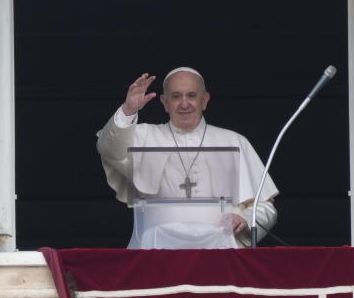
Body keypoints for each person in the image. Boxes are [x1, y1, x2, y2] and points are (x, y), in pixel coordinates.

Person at [97, 67, 278, 249]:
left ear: (204, 100)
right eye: (176, 96)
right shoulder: (143, 137)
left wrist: (245, 219)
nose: (184, 104)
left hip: (219, 257)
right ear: (165, 102)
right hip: (155, 257)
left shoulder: (234, 142)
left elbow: (265, 208)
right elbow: (109, 149)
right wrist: (128, 109)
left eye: (191, 95)